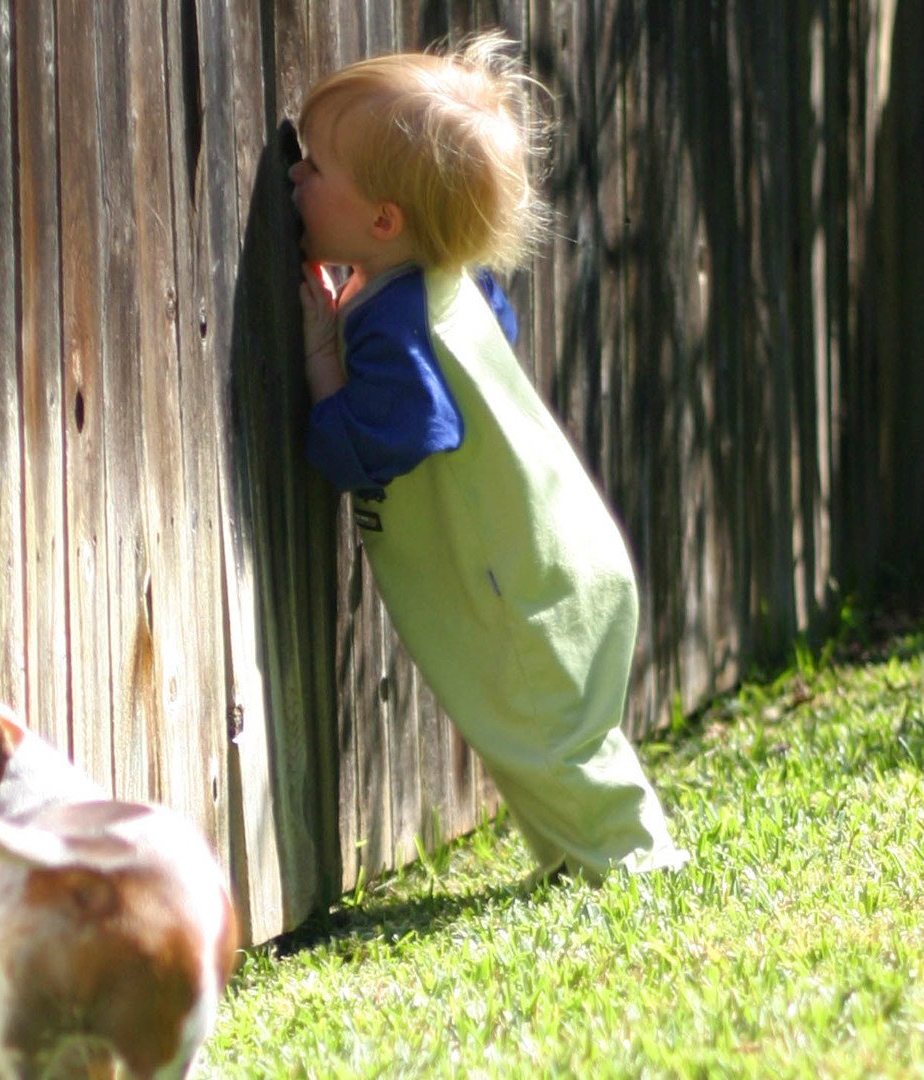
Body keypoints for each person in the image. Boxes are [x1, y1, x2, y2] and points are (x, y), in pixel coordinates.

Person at [289, 31, 688, 882]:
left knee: (550, 738)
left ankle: (638, 864)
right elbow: (490, 337)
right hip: (553, 555)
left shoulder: (394, 327)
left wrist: (324, 357)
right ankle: (576, 859)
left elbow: (387, 437)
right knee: (543, 735)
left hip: (514, 588)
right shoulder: (449, 282)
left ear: (382, 221)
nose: (294, 174)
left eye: (314, 166)